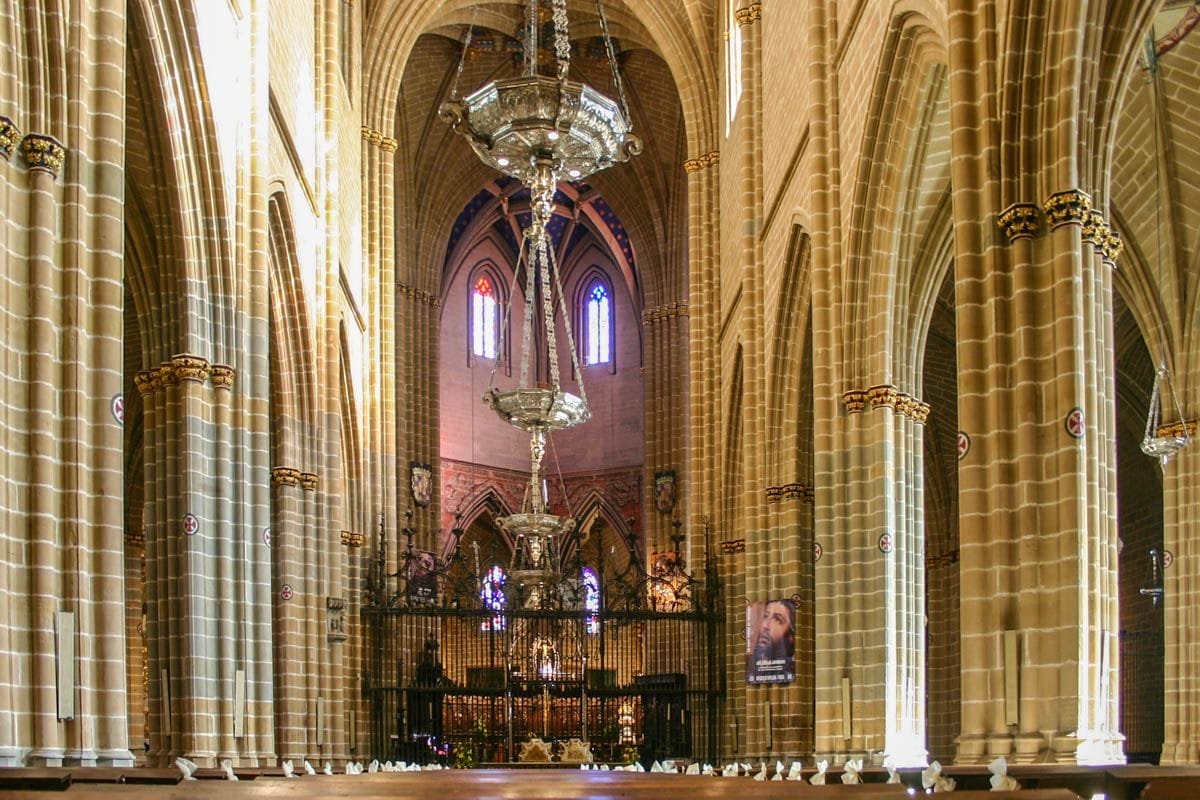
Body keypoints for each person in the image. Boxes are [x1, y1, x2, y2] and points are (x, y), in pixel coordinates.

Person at [747, 599, 795, 684]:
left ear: (791, 637)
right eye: (765, 616)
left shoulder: (791, 670)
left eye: (777, 619)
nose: (765, 626)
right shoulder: (751, 668)